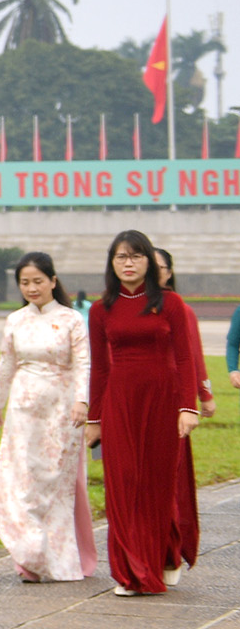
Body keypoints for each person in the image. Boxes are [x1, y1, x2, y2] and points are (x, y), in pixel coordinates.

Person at [87, 231, 202, 595]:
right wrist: (94, 418)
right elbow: (100, 368)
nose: (128, 263)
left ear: (149, 263)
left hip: (164, 401)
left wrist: (189, 407)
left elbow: (185, 358)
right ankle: (130, 572)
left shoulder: (170, 304)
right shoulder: (100, 309)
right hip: (120, 401)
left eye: (136, 256)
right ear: (112, 263)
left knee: (156, 485)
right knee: (123, 484)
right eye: (121, 257)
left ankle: (165, 555)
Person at [0, 252, 95, 582]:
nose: (32, 288)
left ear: (53, 281)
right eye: (25, 282)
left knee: (54, 481)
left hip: (62, 410)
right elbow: (6, 363)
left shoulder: (72, 319)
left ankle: (58, 557)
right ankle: (29, 554)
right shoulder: (16, 320)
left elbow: (83, 364)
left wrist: (82, 401)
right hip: (23, 408)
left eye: (38, 281)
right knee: (22, 479)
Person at [154, 250, 213, 574]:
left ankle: (173, 549)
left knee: (172, 479)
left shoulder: (179, 308)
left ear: (169, 272)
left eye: (159, 267)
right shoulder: (123, 307)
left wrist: (202, 394)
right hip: (134, 402)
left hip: (173, 401)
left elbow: (193, 354)